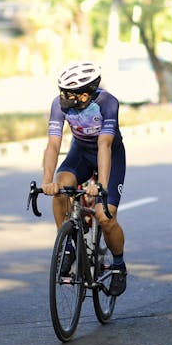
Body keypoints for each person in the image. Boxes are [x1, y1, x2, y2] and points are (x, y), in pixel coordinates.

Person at [41, 61, 128, 296]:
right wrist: (47, 180)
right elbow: (53, 144)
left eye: (68, 93)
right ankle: (68, 247)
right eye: (61, 91)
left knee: (104, 216)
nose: (63, 96)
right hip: (80, 153)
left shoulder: (107, 103)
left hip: (109, 155)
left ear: (85, 95)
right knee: (61, 188)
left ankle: (118, 265)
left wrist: (100, 185)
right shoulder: (59, 105)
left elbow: (105, 144)